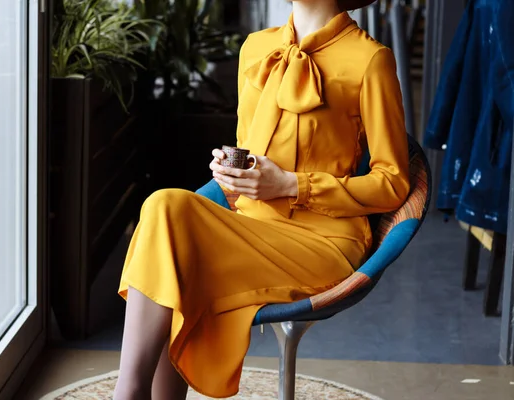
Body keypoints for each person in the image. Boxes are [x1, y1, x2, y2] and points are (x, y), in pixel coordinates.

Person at [113, 1, 410, 399]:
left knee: (175, 248)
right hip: (249, 226)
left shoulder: (371, 59)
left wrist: (292, 185)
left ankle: (127, 394)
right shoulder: (256, 47)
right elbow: (249, 148)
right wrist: (232, 170)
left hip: (321, 243)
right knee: (165, 207)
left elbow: (392, 183)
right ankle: (129, 389)